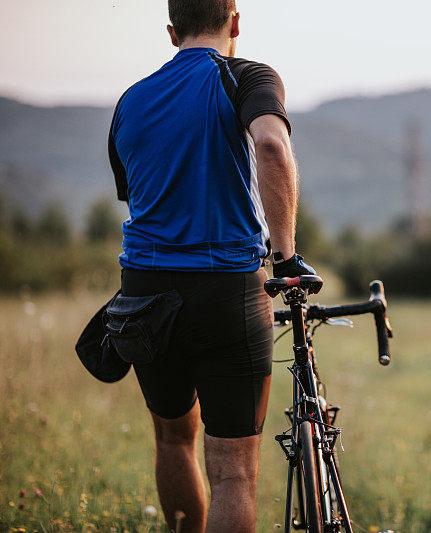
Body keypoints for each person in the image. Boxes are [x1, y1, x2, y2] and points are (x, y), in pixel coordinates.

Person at [107, 1, 316, 531]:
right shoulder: (247, 75)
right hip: (226, 290)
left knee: (174, 439)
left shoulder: (130, 101)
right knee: (232, 474)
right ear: (235, 23)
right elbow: (270, 144)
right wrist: (287, 256)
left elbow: (141, 198)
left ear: (173, 31)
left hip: (143, 295)